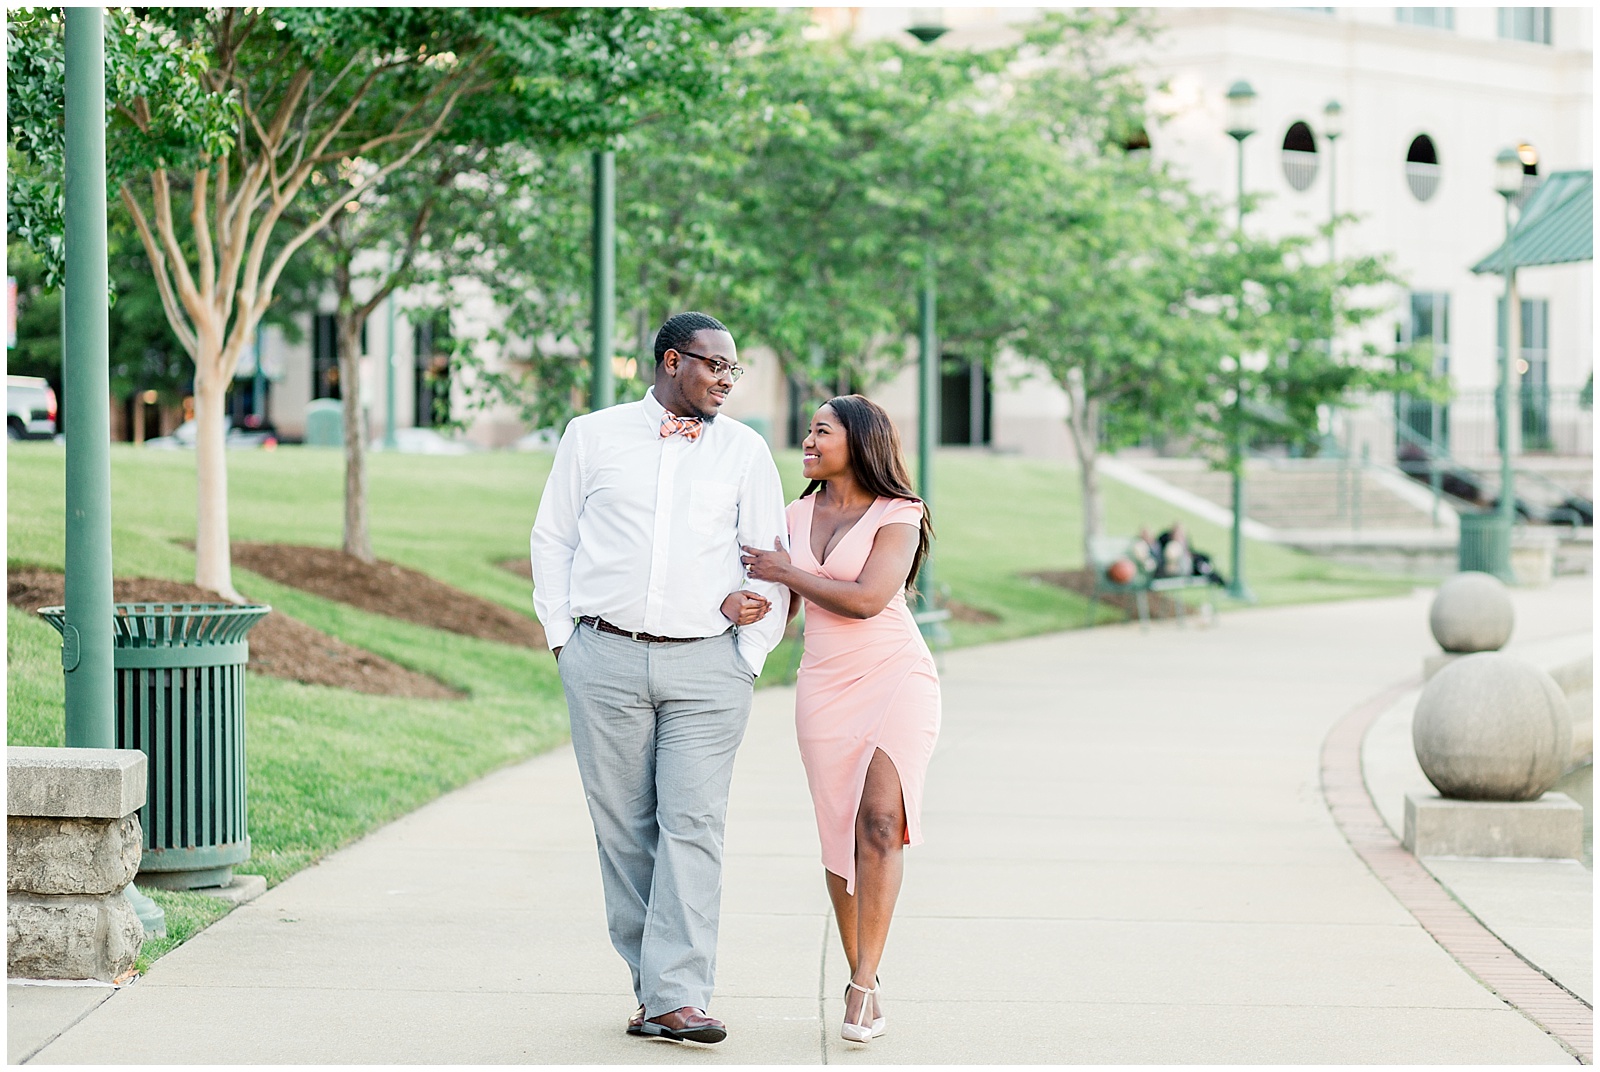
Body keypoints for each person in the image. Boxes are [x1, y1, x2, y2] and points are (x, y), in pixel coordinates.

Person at [529, 311, 788, 1046]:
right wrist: (562, 641)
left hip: (709, 666)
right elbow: (553, 537)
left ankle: (679, 995)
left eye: (734, 370)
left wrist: (750, 652)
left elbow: (768, 557)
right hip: (602, 657)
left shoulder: (744, 450)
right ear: (672, 361)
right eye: (716, 366)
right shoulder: (592, 435)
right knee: (625, 832)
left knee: (693, 825)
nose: (727, 381)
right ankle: (656, 991)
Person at [740, 394, 940, 1046]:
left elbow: (868, 599)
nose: (807, 439)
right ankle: (867, 978)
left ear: (858, 441)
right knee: (838, 834)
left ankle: (861, 986)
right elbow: (784, 607)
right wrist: (748, 607)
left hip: (895, 678)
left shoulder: (898, 514)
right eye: (808, 430)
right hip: (822, 688)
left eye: (820, 431)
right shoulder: (793, 515)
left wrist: (788, 571)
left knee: (881, 821)